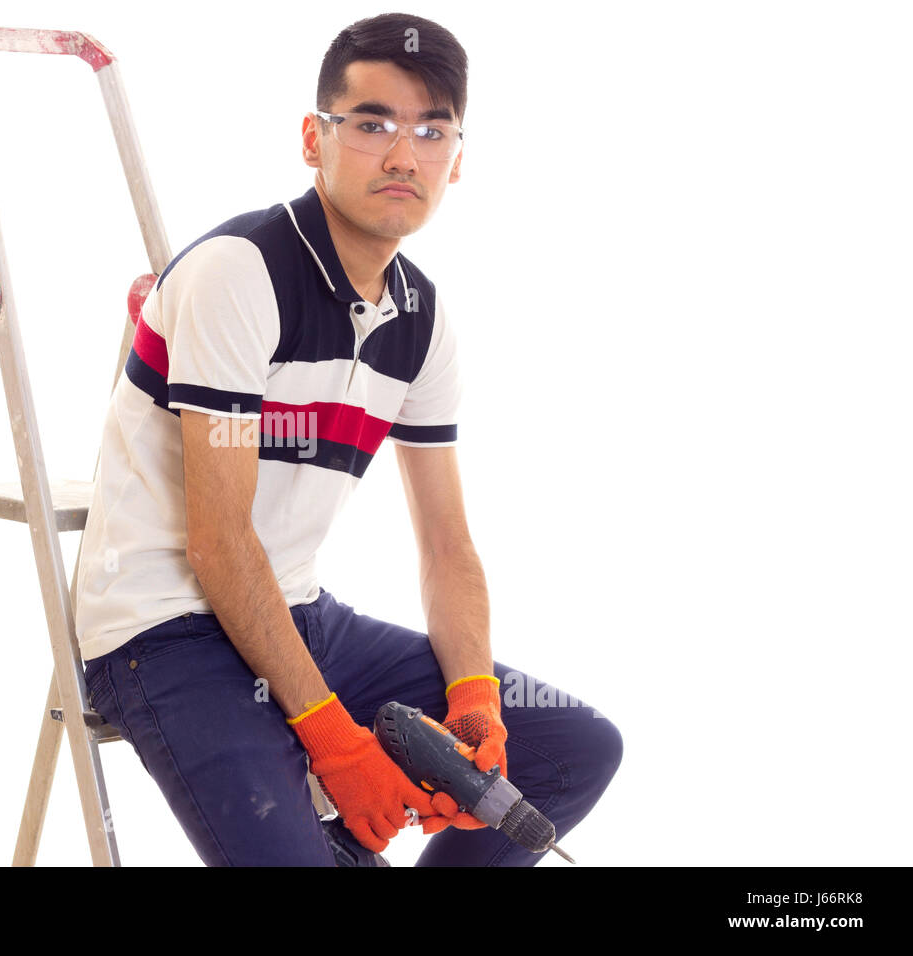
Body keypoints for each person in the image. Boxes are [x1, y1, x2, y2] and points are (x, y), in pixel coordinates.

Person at [74, 12, 623, 866]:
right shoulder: (240, 273)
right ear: (313, 138)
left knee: (574, 749)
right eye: (371, 124)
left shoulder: (422, 316)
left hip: (300, 616)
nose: (403, 155)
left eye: (430, 130)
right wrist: (332, 738)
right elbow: (218, 545)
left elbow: (448, 546)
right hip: (165, 634)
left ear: (457, 158)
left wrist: (475, 699)